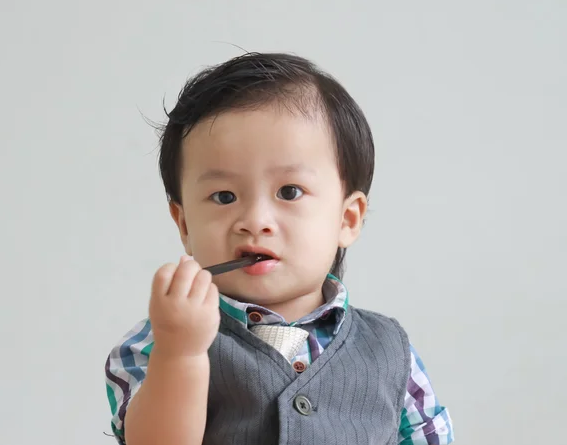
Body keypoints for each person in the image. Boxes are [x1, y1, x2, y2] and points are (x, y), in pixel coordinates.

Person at [104, 52, 454, 445]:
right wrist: (180, 354)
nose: (255, 220)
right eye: (223, 196)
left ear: (347, 219)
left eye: (289, 192)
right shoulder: (160, 341)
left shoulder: (391, 351)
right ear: (184, 224)